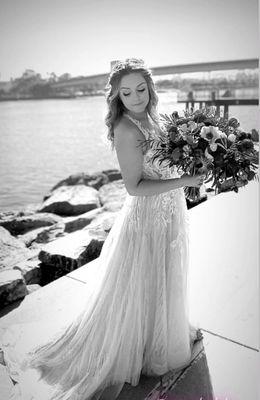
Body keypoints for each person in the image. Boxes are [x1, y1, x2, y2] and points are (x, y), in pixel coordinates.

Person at [0, 58, 204, 400]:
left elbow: (168, 161)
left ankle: (164, 335)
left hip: (171, 211)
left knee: (166, 273)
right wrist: (184, 180)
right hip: (147, 216)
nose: (136, 97)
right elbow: (134, 187)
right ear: (117, 97)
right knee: (143, 280)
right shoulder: (126, 130)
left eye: (141, 89)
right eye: (126, 93)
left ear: (150, 88)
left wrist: (193, 161)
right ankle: (136, 346)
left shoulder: (155, 117)